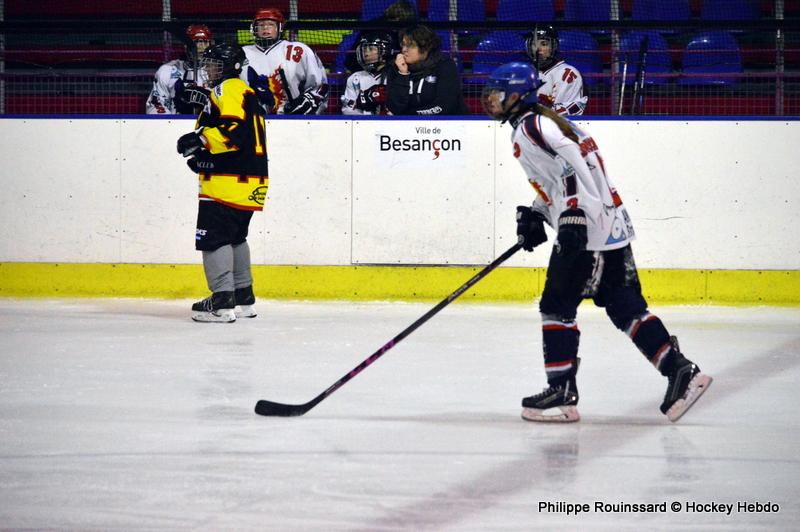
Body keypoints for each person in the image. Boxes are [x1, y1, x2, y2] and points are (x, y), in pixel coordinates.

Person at [481, 62, 712, 423]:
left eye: (497, 93)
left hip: (588, 230)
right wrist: (539, 212)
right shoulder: (549, 122)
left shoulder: (528, 129)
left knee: (557, 305)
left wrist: (572, 214)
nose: (490, 100)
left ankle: (561, 393)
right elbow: (564, 177)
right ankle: (682, 372)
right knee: (625, 306)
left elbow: (571, 174)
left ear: (516, 96)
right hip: (608, 223)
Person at [176, 42, 268, 323]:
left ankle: (222, 302)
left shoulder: (227, 88)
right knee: (236, 237)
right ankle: (243, 298)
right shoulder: (245, 92)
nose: (209, 69)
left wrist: (200, 139)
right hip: (250, 180)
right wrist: (205, 159)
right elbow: (240, 139)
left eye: (215, 64)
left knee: (214, 238)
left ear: (231, 67)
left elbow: (232, 131)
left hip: (228, 182)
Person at [240, 7, 329, 115]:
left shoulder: (298, 50)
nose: (265, 28)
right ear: (254, 28)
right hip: (251, 120)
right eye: (261, 25)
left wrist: (309, 102)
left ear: (280, 27)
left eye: (270, 24)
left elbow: (320, 85)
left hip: (292, 118)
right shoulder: (241, 53)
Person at [386, 25, 469, 116]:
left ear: (425, 47)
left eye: (410, 45)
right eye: (403, 45)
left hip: (446, 125)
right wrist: (403, 74)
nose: (404, 50)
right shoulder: (396, 68)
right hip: (408, 126)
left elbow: (444, 106)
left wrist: (409, 115)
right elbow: (394, 108)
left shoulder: (445, 66)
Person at [146, 24, 213, 115]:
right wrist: (172, 123)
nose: (201, 47)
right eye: (196, 42)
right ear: (185, 45)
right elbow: (156, 104)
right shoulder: (168, 70)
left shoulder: (217, 72)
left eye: (205, 42)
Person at [523, 25, 588, 116]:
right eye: (534, 44)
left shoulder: (567, 73)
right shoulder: (523, 73)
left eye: (544, 44)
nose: (538, 49)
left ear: (553, 47)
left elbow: (565, 115)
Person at [340, 31, 394, 115]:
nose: (366, 53)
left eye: (371, 49)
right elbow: (347, 110)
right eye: (364, 49)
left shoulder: (396, 76)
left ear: (384, 50)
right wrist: (362, 102)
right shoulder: (355, 78)